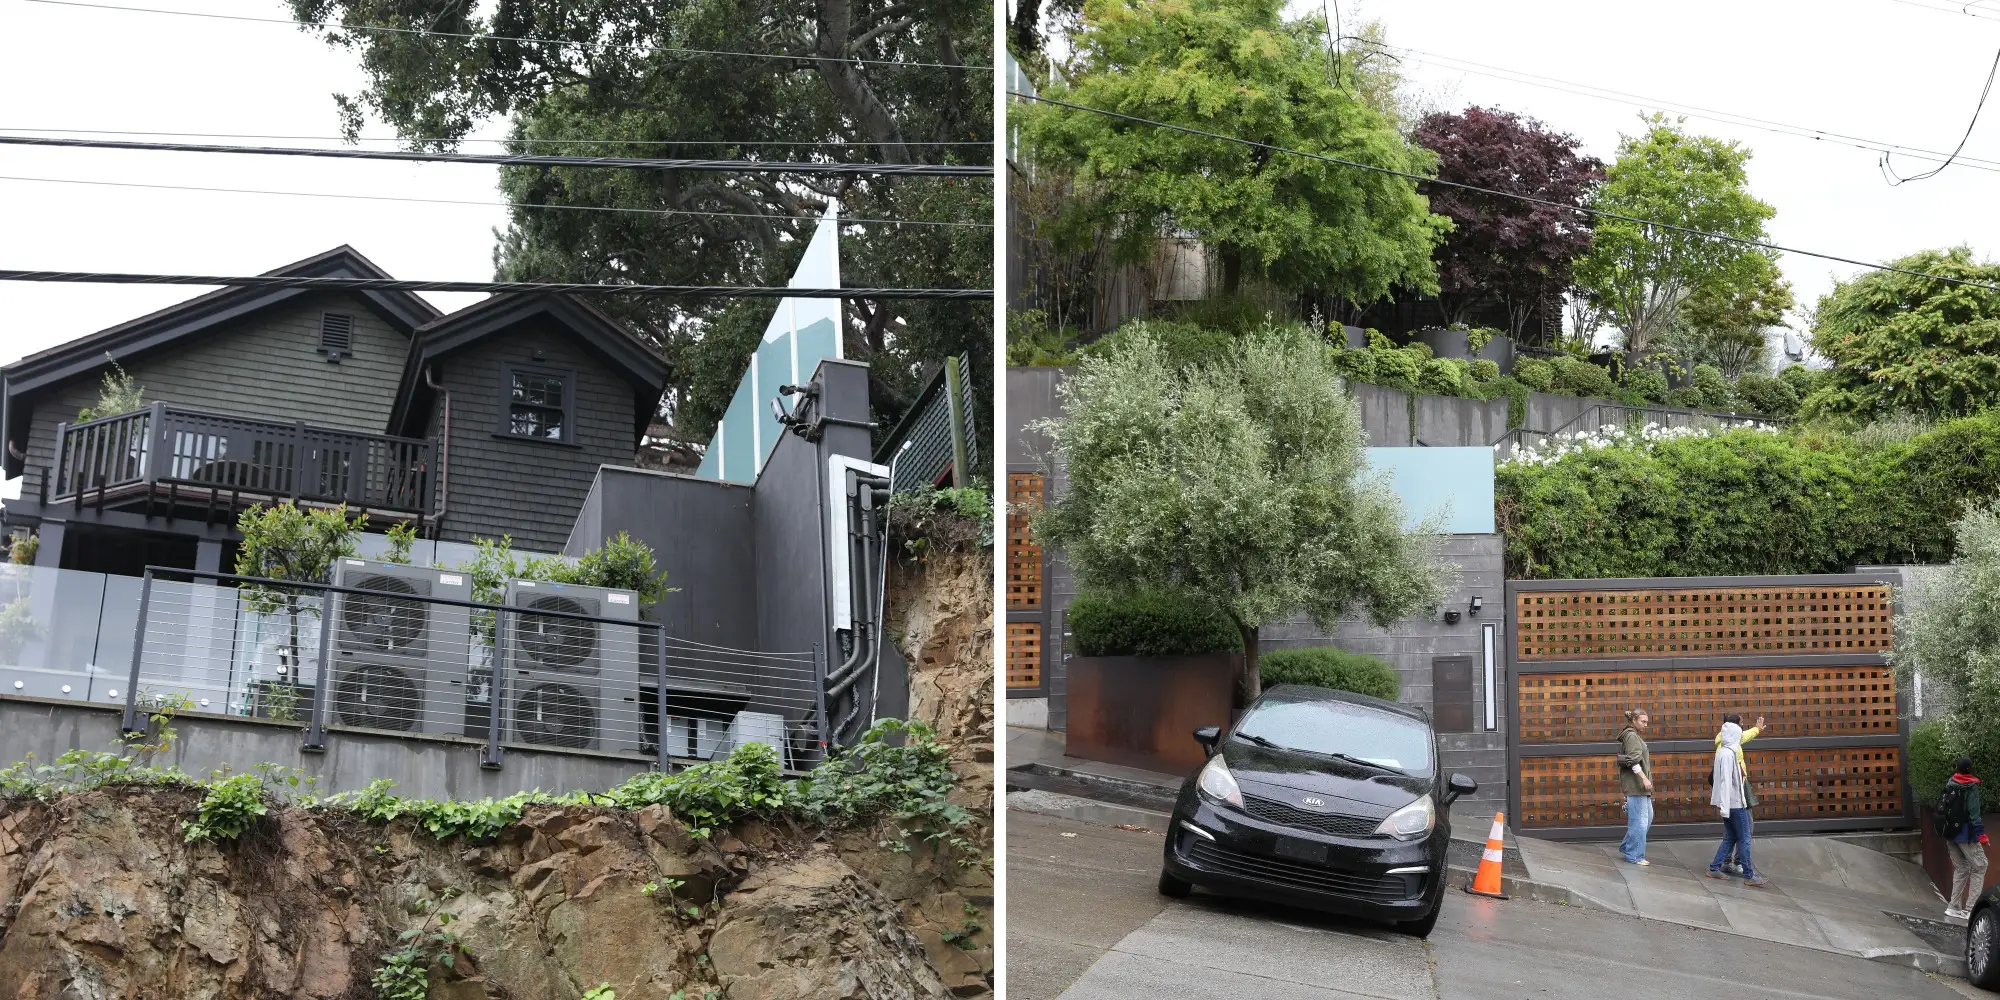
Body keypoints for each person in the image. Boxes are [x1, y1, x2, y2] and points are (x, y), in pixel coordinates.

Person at [1708, 716, 1768, 887]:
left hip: (1731, 803)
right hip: (1735, 803)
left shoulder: (1724, 751)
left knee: (1731, 837)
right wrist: (1725, 806)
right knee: (1745, 837)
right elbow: (1726, 782)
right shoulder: (1729, 754)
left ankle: (1714, 868)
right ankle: (1749, 875)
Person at [1941, 756, 1990, 922]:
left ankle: (1953, 906)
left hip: (1950, 834)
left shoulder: (1951, 782)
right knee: (1981, 866)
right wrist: (1982, 836)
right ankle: (1971, 909)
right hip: (1966, 835)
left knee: (1961, 868)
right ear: (1970, 769)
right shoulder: (1971, 787)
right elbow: (1974, 814)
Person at [1616, 708, 1654, 866]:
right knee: (1639, 822)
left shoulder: (1634, 735)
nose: (1645, 725)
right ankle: (1634, 855)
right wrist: (1644, 778)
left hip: (1639, 787)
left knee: (1647, 817)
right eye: (1642, 721)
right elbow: (1632, 760)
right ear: (1634, 721)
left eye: (1646, 722)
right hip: (1636, 786)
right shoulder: (1631, 736)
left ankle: (1627, 846)